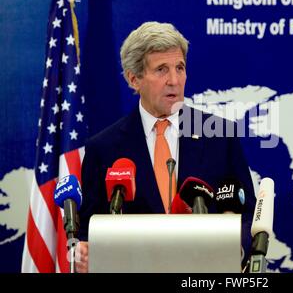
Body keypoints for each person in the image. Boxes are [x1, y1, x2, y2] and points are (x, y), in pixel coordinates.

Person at [76, 21, 256, 273]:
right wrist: (84, 253)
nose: (174, 80)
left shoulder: (219, 136)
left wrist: (231, 250)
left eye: (179, 68)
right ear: (134, 79)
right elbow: (89, 229)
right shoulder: (103, 149)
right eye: (161, 69)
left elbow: (247, 214)